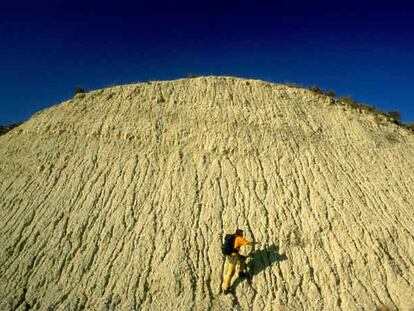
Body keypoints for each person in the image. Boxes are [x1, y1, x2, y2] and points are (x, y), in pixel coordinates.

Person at [222, 229, 257, 294]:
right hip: (233, 257)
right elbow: (248, 243)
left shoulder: (233, 236)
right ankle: (226, 288)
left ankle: (240, 272)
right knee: (230, 272)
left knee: (242, 259)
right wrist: (255, 243)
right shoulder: (239, 239)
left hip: (232, 255)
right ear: (240, 234)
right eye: (242, 233)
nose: (242, 235)